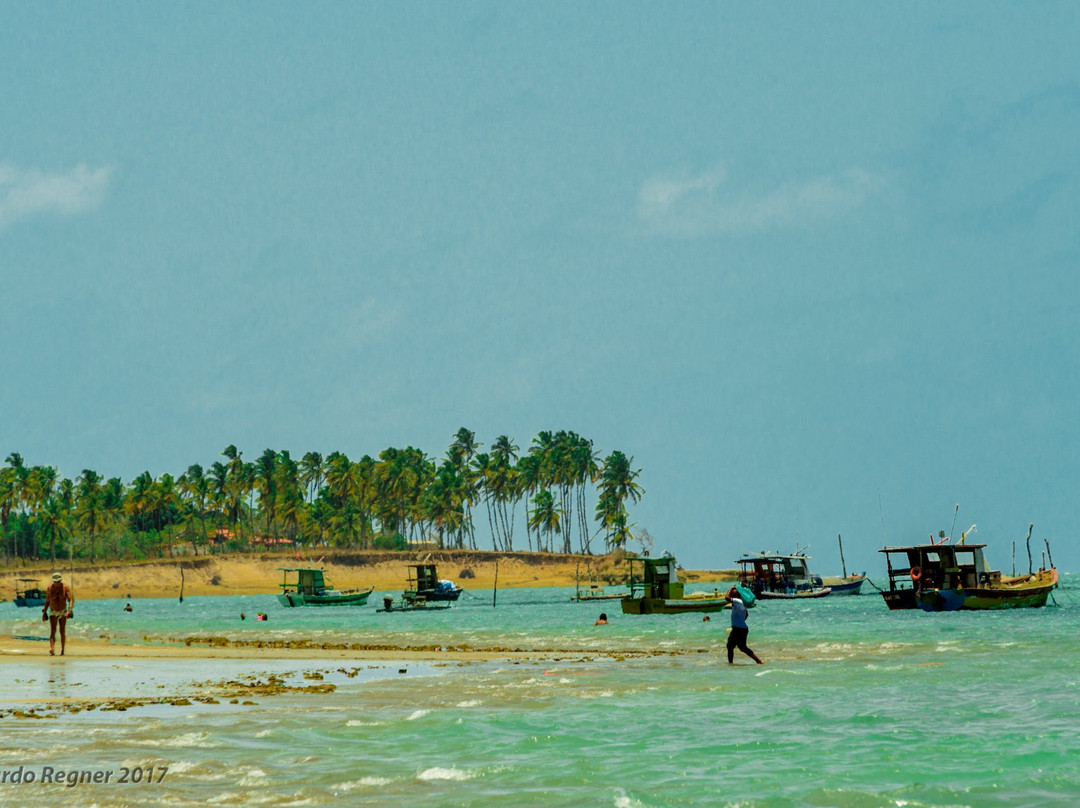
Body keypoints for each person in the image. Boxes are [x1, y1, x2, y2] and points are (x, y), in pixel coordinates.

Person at [724, 586, 762, 665]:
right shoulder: (741, 603)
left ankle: (730, 664)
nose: (732, 592)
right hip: (741, 628)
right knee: (742, 647)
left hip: (738, 629)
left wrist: (730, 588)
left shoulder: (737, 601)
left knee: (730, 646)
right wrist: (740, 620)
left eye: (733, 591)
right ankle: (758, 661)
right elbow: (746, 614)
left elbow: (726, 598)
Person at [42, 572, 74, 656]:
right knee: (53, 631)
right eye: (55, 582)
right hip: (53, 610)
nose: (57, 584)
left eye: (58, 582)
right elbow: (47, 601)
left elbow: (70, 600)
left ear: (60, 581)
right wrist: (44, 612)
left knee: (62, 631)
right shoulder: (50, 588)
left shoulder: (65, 588)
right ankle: (52, 649)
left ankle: (62, 650)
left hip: (62, 611)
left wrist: (69, 611)